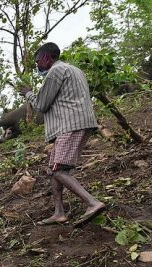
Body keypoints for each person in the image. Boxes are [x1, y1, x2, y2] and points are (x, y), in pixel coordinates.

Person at [16, 42, 105, 227]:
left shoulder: (55, 71)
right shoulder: (74, 70)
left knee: (59, 170)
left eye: (38, 61)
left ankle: (92, 202)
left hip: (70, 125)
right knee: (53, 170)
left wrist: (28, 94)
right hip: (75, 123)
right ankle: (59, 212)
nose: (37, 65)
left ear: (47, 57)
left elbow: (41, 105)